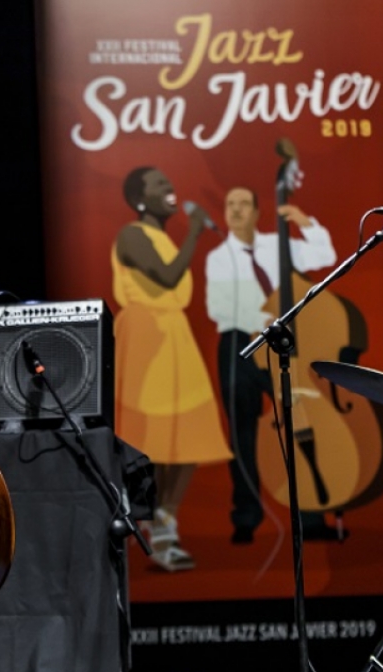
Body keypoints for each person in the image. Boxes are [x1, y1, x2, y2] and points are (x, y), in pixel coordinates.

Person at [111, 167, 231, 572]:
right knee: (152, 440)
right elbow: (166, 276)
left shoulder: (162, 236)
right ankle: (142, 523)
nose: (170, 188)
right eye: (159, 184)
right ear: (139, 199)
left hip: (174, 336)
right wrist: (195, 230)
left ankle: (165, 520)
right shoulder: (131, 236)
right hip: (146, 336)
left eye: (170, 182)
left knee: (187, 438)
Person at [204, 187, 338, 544]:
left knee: (298, 426)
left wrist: (304, 222)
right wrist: (262, 317)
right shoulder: (218, 257)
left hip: (278, 343)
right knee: (242, 436)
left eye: (243, 204)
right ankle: (246, 517)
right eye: (230, 204)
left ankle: (310, 518)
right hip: (239, 345)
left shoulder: (277, 247)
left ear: (256, 212)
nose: (236, 210)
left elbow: (325, 255)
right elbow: (218, 307)